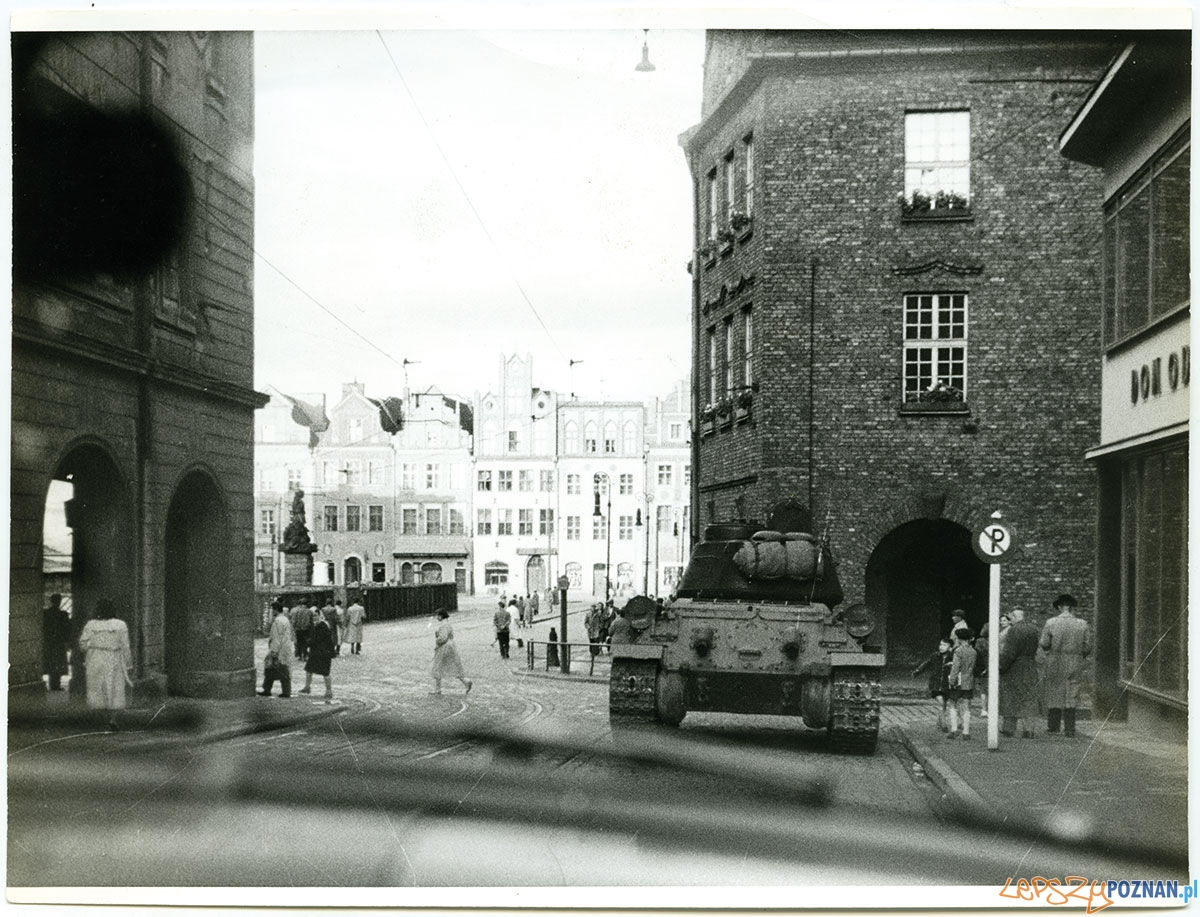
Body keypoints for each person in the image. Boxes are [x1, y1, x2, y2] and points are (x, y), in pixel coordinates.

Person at [1039, 593, 1091, 737]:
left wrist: (1052, 650)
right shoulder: (1082, 624)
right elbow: (1087, 647)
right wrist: (1079, 654)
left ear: (1060, 607)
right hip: (1075, 661)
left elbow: (1044, 643)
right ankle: (1069, 729)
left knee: (1055, 691)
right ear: (1071, 607)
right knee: (1072, 693)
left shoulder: (1051, 622)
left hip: (1056, 660)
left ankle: (1053, 726)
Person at [77, 598, 132, 730]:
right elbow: (125, 646)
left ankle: (102, 720)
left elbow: (82, 645)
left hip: (95, 658)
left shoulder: (91, 625)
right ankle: (113, 719)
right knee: (114, 687)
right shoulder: (120, 625)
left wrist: (94, 645)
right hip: (114, 658)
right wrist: (129, 664)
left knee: (97, 687)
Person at [998, 607, 1040, 738]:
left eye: (1010, 618)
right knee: (1028, 697)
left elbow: (1009, 652)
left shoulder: (1013, 630)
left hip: (1015, 667)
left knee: (1010, 697)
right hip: (1030, 665)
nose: (1010, 620)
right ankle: (1029, 730)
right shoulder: (1034, 629)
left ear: (1015, 617)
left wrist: (1001, 666)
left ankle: (1009, 729)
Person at [913, 639, 953, 732]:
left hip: (946, 684)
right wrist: (918, 671)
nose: (941, 647)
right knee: (941, 703)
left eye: (944, 645)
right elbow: (926, 664)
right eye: (940, 645)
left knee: (944, 704)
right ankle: (944, 724)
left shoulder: (952, 658)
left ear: (950, 648)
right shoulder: (935, 656)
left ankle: (938, 723)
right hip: (935, 683)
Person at [431, 609, 472, 695]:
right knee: (454, 665)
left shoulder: (443, 626)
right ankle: (465, 681)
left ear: (441, 616)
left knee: (437, 666)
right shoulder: (448, 625)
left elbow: (442, 638)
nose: (437, 617)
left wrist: (437, 638)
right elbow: (451, 636)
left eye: (438, 616)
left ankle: (437, 689)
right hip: (450, 646)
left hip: (444, 647)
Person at [946, 627, 977, 740]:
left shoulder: (958, 651)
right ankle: (966, 732)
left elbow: (956, 668)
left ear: (959, 639)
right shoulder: (973, 651)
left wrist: (952, 681)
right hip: (969, 680)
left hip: (958, 681)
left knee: (953, 704)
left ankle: (954, 730)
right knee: (967, 706)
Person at [260, 602, 294, 698]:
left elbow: (276, 637)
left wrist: (274, 651)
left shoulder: (278, 621)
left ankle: (285, 691)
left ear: (275, 610)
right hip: (285, 647)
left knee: (280, 669)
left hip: (279, 649)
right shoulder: (285, 619)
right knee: (272, 669)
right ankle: (267, 689)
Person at [300, 611, 336, 703]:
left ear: (320, 616)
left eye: (316, 616)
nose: (314, 618)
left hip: (323, 653)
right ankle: (307, 687)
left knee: (325, 672)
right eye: (313, 617)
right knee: (309, 669)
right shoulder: (317, 626)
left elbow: (317, 639)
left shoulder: (323, 626)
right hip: (316, 652)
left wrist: (308, 642)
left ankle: (329, 691)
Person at [42, 593, 71, 691]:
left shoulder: (45, 613)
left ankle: (52, 685)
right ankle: (56, 685)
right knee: (58, 664)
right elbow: (67, 629)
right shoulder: (63, 614)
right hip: (59, 643)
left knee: (51, 664)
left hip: (49, 643)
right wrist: (68, 642)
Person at [974, 623, 991, 718]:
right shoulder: (996, 639)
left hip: (984, 667)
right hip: (991, 666)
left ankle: (984, 710)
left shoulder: (980, 641)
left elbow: (978, 655)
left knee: (983, 690)